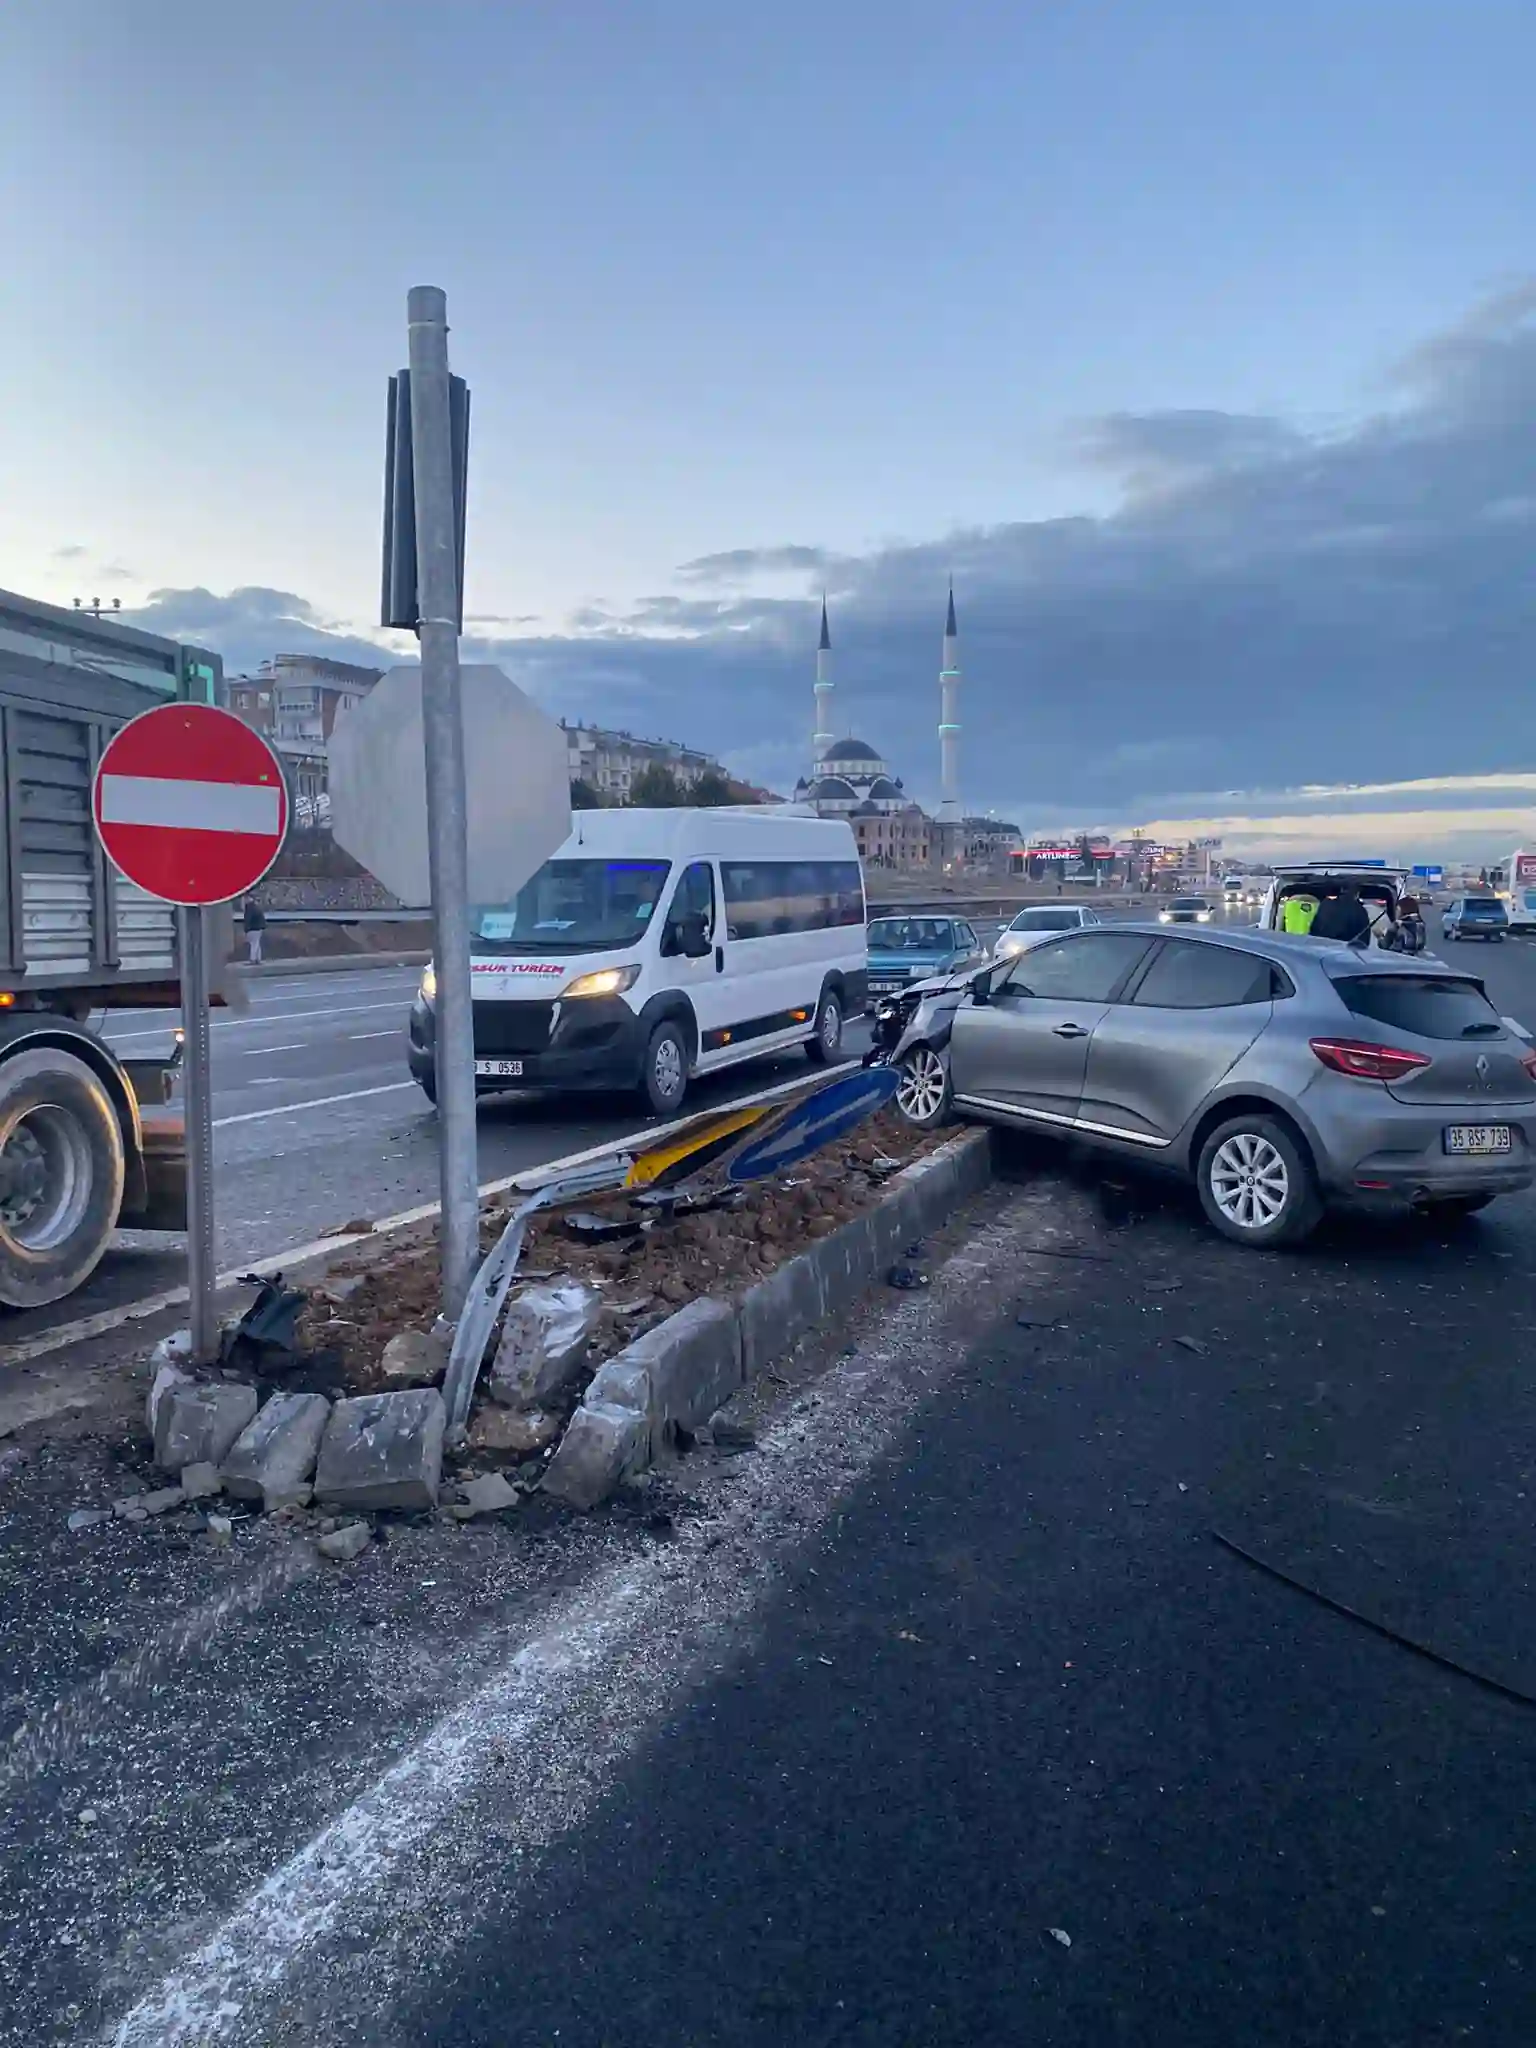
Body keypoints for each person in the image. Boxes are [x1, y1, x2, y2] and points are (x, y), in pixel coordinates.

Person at [242, 897, 266, 965]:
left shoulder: (249, 908)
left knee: (253, 944)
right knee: (257, 944)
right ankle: (258, 958)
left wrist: (245, 929)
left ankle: (253, 959)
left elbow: (248, 919)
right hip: (258, 928)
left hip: (252, 928)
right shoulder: (257, 907)